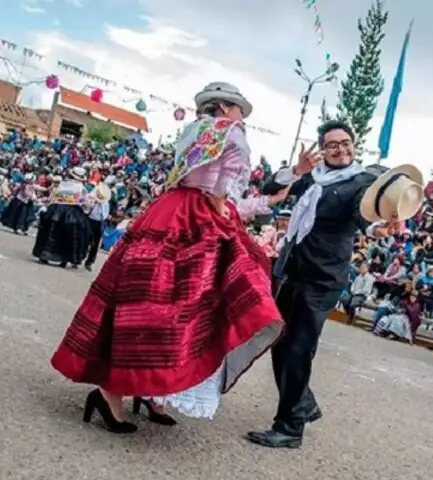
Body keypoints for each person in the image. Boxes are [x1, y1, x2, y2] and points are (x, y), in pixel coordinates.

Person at [50, 82, 289, 434]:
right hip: (202, 217)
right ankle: (124, 392)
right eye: (239, 111)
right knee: (183, 306)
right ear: (225, 109)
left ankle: (142, 391)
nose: (243, 119)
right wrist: (228, 210)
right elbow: (225, 188)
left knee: (142, 300)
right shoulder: (231, 132)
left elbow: (197, 178)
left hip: (168, 210)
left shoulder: (191, 131)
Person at [247, 120, 423, 448]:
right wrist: (294, 171)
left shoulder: (361, 181)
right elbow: (272, 189)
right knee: (279, 342)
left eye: (345, 143)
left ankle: (289, 427)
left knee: (298, 350)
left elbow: (363, 215)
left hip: (322, 278)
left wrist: (379, 230)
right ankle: (302, 403)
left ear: (354, 145)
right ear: (322, 149)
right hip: (290, 270)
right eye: (332, 145)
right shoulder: (312, 177)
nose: (340, 149)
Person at [32, 166, 93, 268]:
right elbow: (86, 203)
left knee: (49, 233)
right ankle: (64, 260)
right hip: (72, 212)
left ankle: (44, 255)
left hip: (55, 209)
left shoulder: (61, 185)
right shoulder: (81, 188)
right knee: (70, 236)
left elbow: (52, 197)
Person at [83, 183, 111, 271]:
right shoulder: (91, 196)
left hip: (99, 222)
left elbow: (105, 215)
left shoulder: (106, 203)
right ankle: (78, 257)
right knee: (83, 239)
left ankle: (89, 262)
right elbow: (85, 207)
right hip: (89, 219)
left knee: (95, 244)